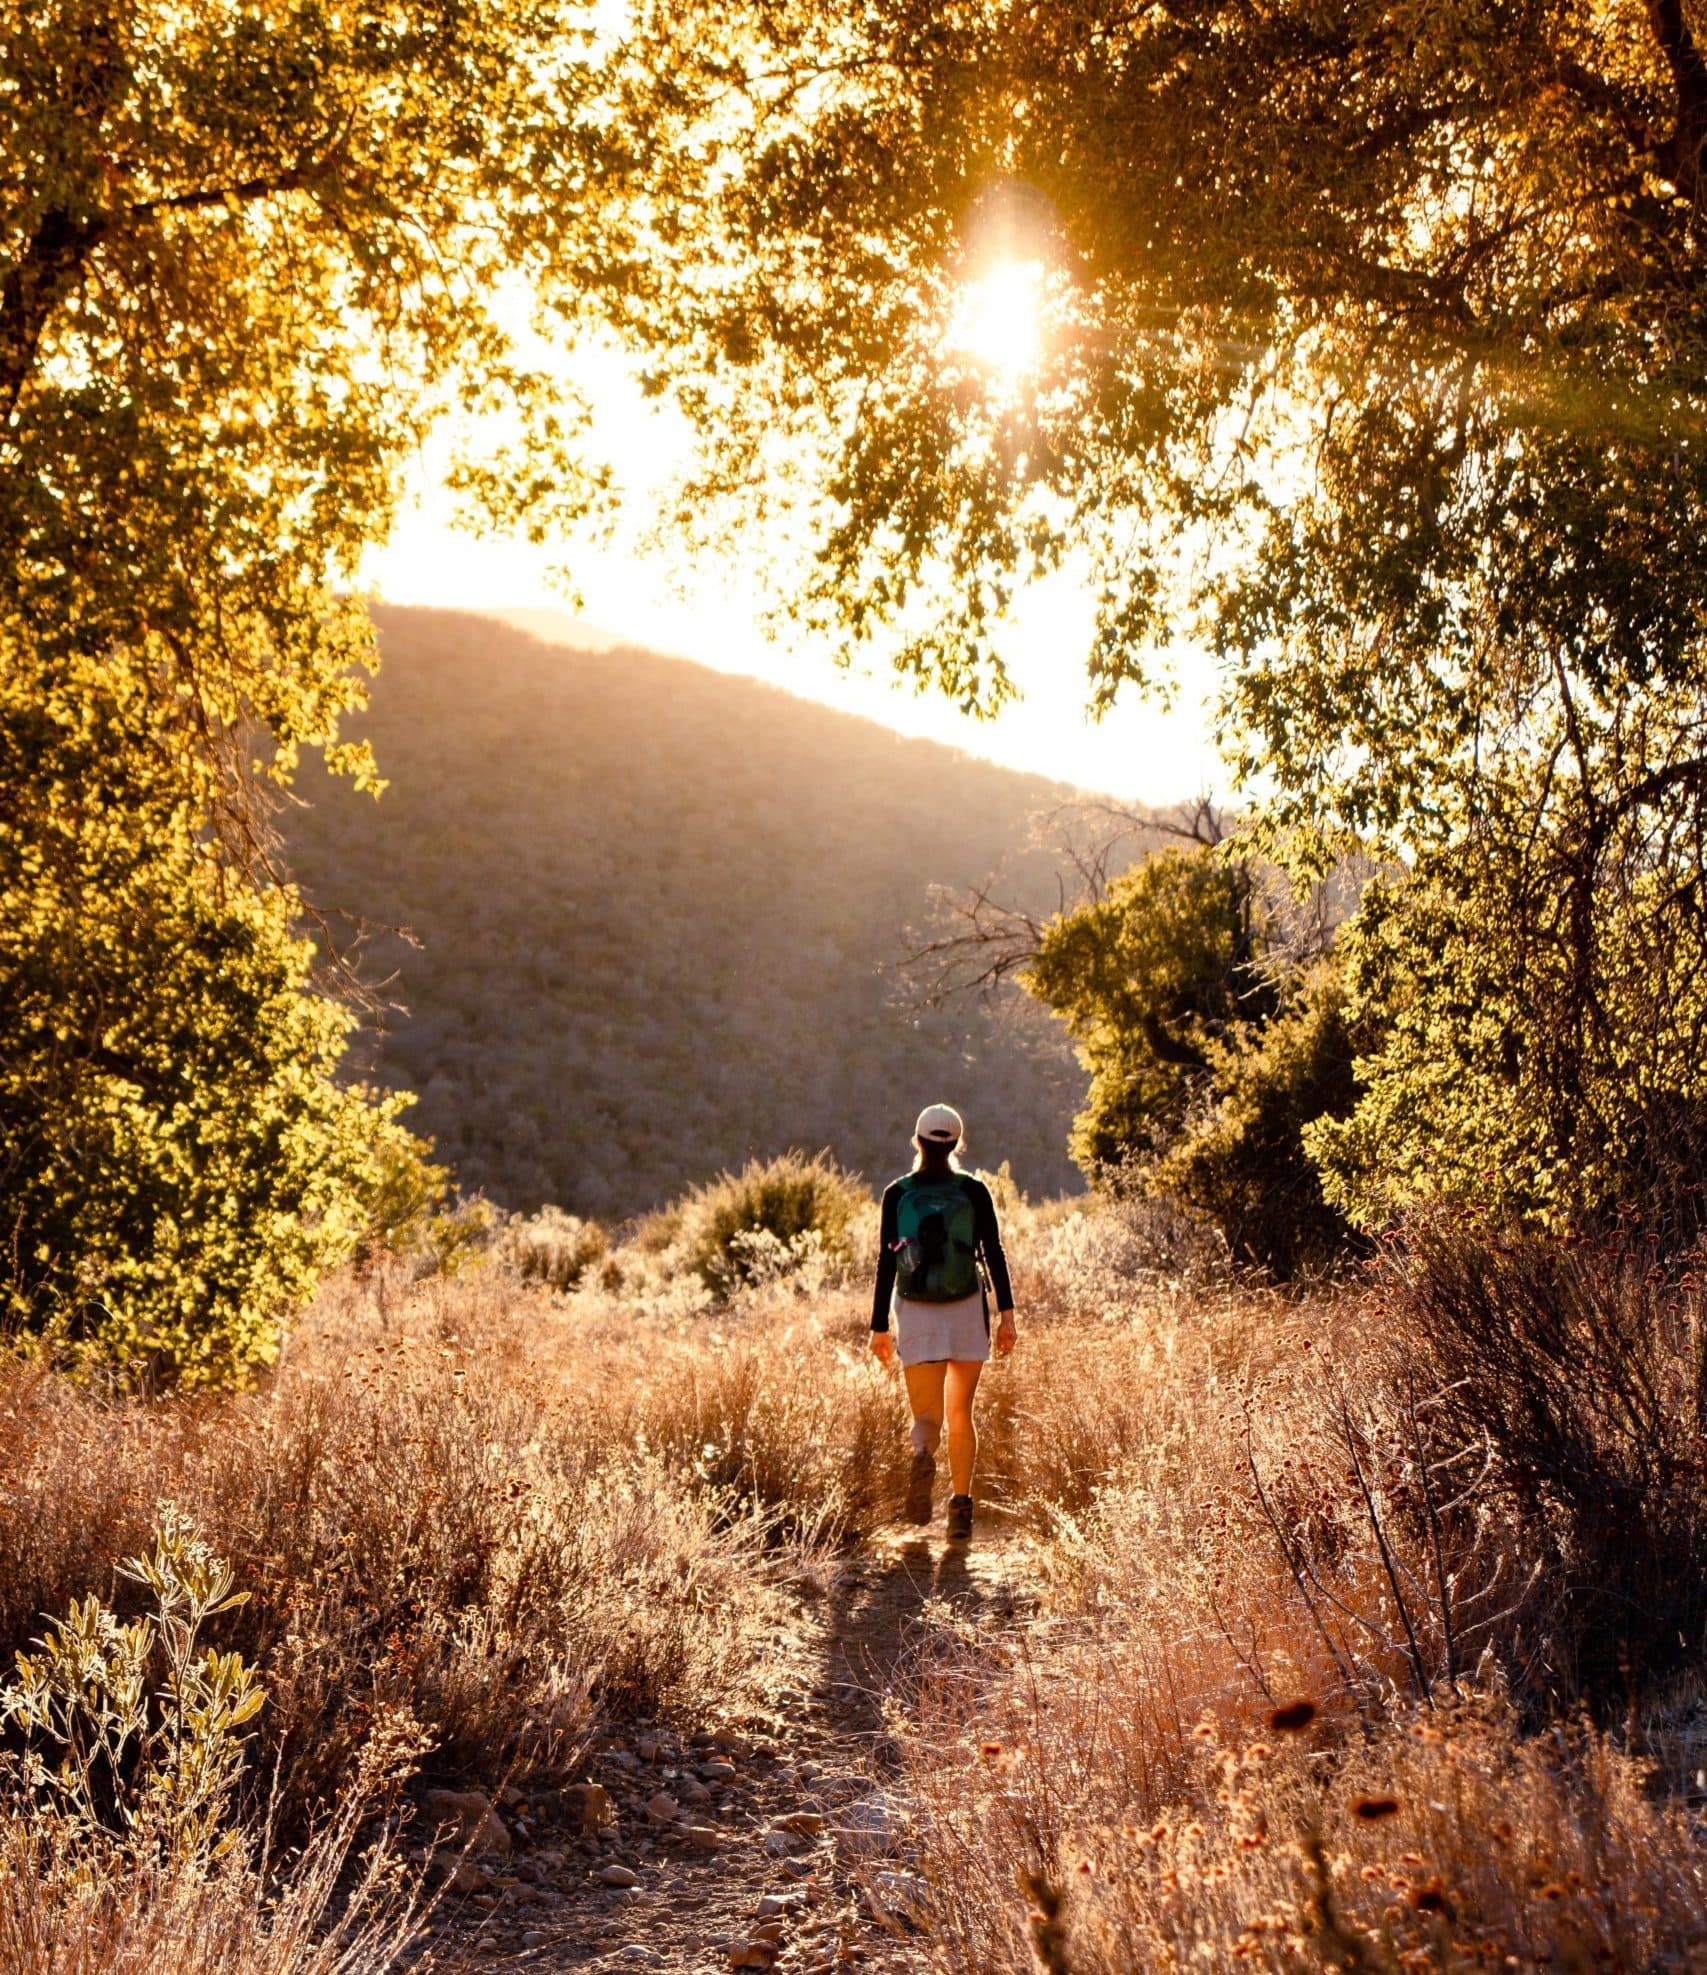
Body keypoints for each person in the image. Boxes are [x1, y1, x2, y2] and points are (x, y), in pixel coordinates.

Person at [868, 1103, 1016, 1540]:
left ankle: (921, 1455)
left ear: (917, 1141)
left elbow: (886, 1262)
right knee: (960, 1412)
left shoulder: (897, 1193)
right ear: (956, 1143)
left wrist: (879, 1326)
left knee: (927, 1416)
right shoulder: (974, 1191)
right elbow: (994, 1252)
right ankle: (960, 1510)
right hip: (966, 1309)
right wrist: (1007, 1316)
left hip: (915, 1312)